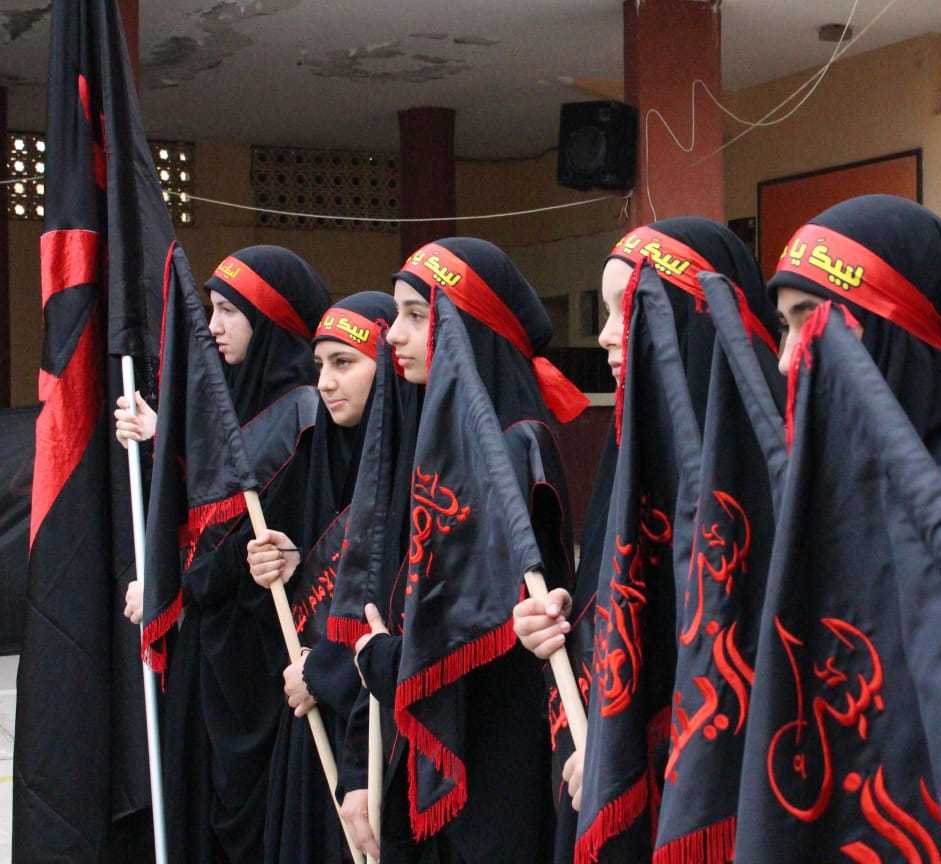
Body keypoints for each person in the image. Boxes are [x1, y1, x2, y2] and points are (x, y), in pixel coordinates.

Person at [511, 218, 782, 856]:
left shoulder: (773, 468)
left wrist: (618, 749)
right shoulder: (628, 456)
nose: (606, 334)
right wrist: (557, 627)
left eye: (627, 310)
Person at [344, 237, 581, 863]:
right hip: (437, 748)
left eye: (416, 315)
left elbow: (481, 627)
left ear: (469, 328)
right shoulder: (434, 439)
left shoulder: (514, 449)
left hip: (494, 761)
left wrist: (385, 661)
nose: (394, 335)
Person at [117, 245, 330, 863]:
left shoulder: (305, 414)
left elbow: (257, 540)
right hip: (208, 651)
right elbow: (203, 508)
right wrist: (159, 440)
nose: (213, 327)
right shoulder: (230, 404)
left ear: (270, 319)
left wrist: (173, 585)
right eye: (210, 309)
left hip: (262, 659)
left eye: (229, 312)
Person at [769, 194, 941, 561]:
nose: (786, 361)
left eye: (813, 324)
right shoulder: (849, 465)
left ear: (896, 335)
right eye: (784, 327)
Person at [242, 291, 397, 864]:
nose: (326, 383)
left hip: (374, 727)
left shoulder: (412, 466)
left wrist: (325, 670)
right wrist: (288, 566)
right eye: (320, 365)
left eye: (344, 362)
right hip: (314, 715)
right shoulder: (324, 454)